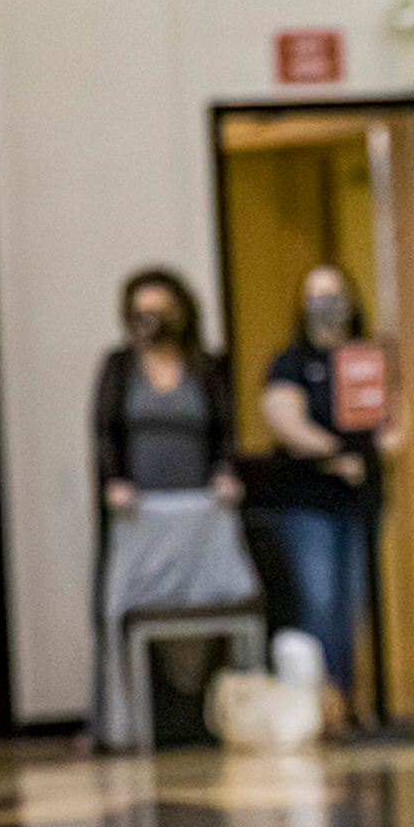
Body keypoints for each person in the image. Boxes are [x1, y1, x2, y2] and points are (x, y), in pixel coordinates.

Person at [89, 266, 242, 749]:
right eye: (141, 311)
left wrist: (224, 473)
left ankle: (212, 715)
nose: (151, 320)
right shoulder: (119, 366)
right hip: (142, 518)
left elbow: (225, 430)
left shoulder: (204, 365)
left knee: (213, 607)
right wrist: (115, 483)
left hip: (198, 516)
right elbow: (104, 431)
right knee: (124, 607)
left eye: (160, 310)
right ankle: (123, 724)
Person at [259, 264, 403, 738]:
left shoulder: (368, 358)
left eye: (334, 294)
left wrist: (374, 453)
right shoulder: (290, 362)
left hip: (360, 500)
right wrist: (337, 453)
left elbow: (397, 423)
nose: (326, 305)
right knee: (320, 602)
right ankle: (327, 708)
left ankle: (356, 705)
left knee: (356, 605)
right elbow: (284, 419)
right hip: (308, 500)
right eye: (315, 295)